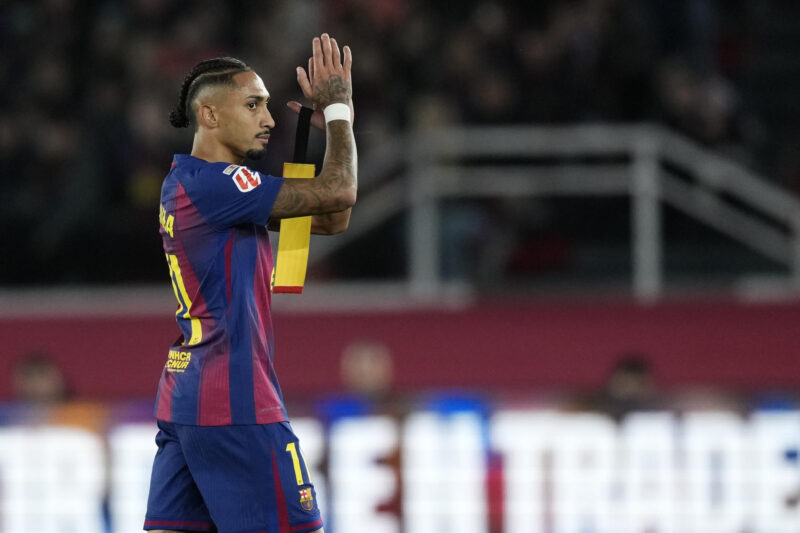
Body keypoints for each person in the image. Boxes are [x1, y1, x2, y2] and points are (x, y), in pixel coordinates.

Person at [144, 33, 356, 533]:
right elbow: (341, 189)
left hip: (186, 401)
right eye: (254, 104)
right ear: (210, 115)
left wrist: (317, 132)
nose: (268, 118)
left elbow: (331, 218)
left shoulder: (195, 186)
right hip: (235, 401)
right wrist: (340, 112)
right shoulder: (217, 184)